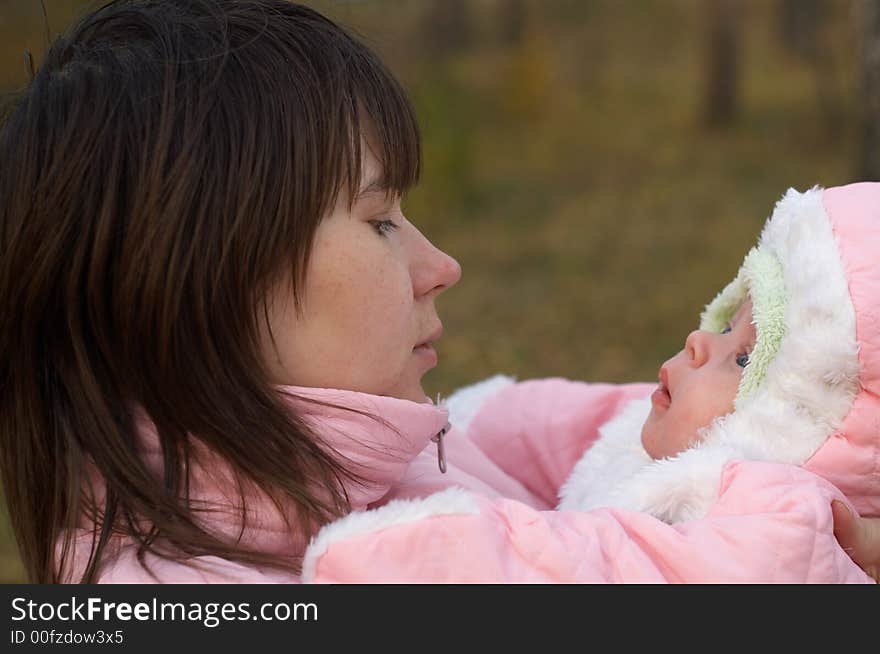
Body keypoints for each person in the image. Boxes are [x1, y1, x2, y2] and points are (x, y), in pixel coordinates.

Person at [0, 0, 877, 584]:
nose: (441, 263)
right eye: (381, 220)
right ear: (201, 287)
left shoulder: (386, 452)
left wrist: (801, 427)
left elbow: (556, 431)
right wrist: (789, 524)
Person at [557, 187, 880, 544]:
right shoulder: (639, 421)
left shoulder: (755, 534)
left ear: (786, 428)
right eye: (727, 326)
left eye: (745, 359)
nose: (698, 339)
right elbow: (529, 424)